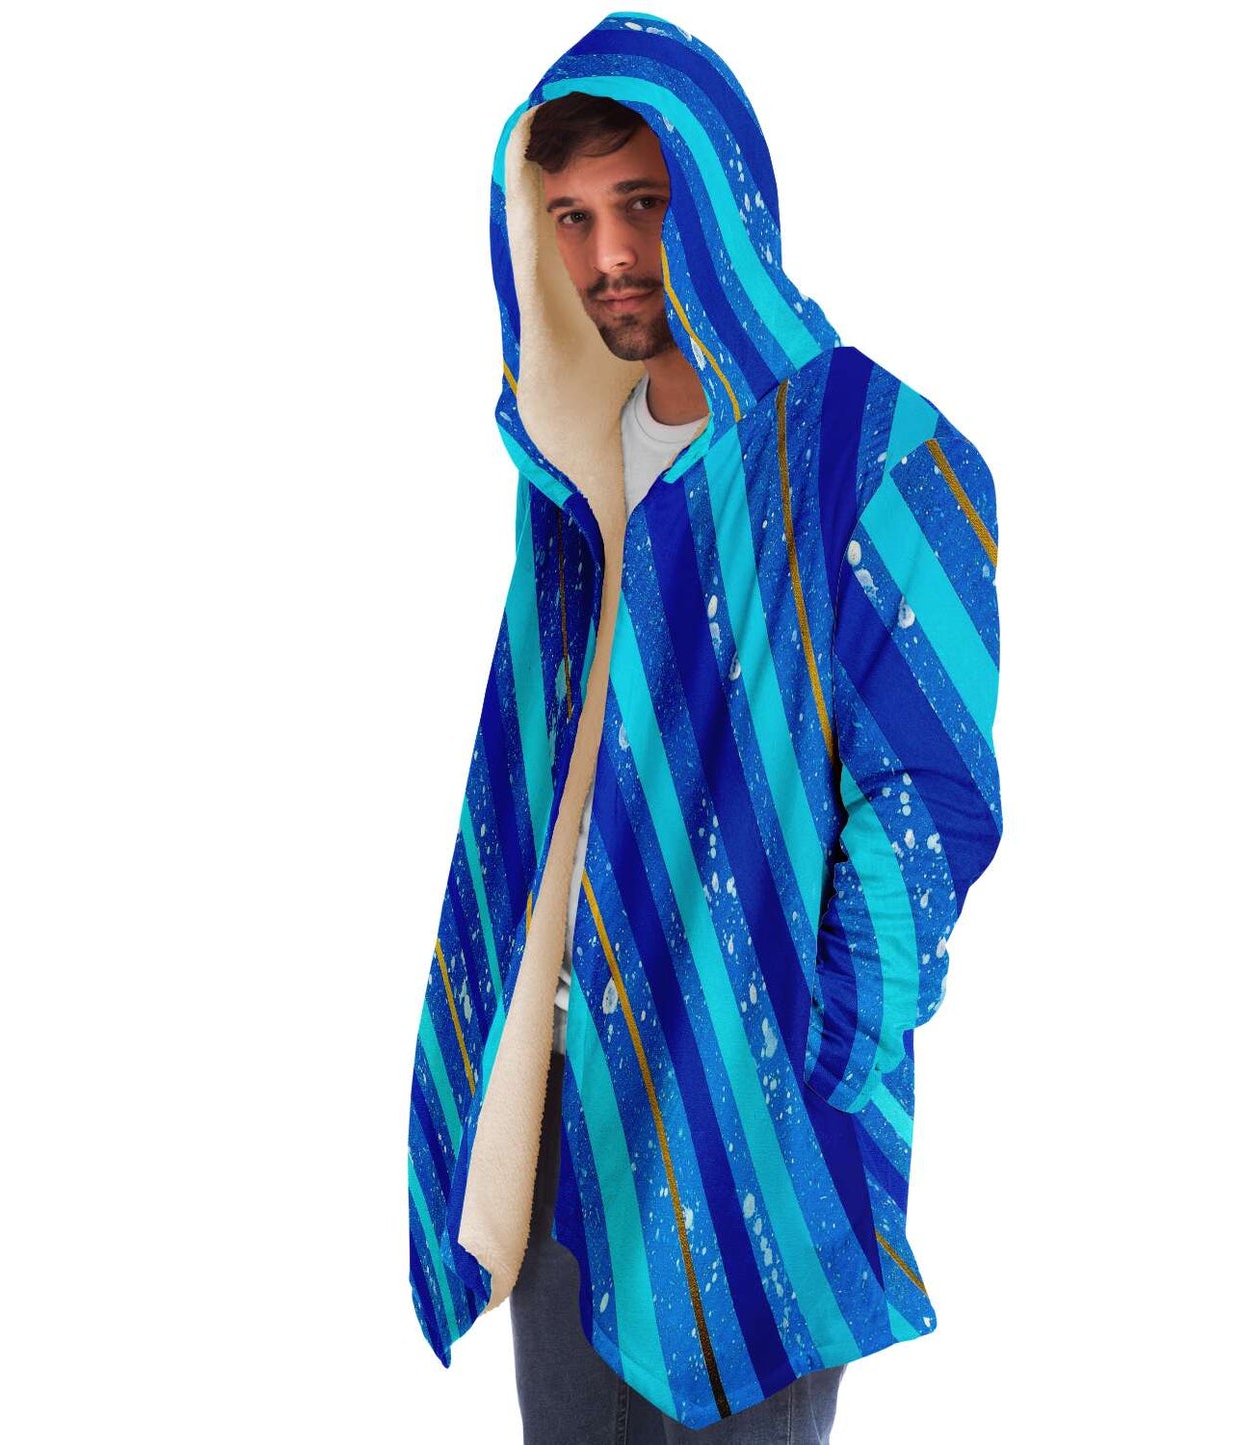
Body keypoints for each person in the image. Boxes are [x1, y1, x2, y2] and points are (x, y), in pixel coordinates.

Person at [407, 13, 1003, 1443]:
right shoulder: (574, 462)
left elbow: (925, 808)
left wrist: (812, 1069)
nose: (611, 254)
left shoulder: (875, 450)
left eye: (643, 203)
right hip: (571, 1117)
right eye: (571, 218)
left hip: (754, 1144)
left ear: (727, 198)